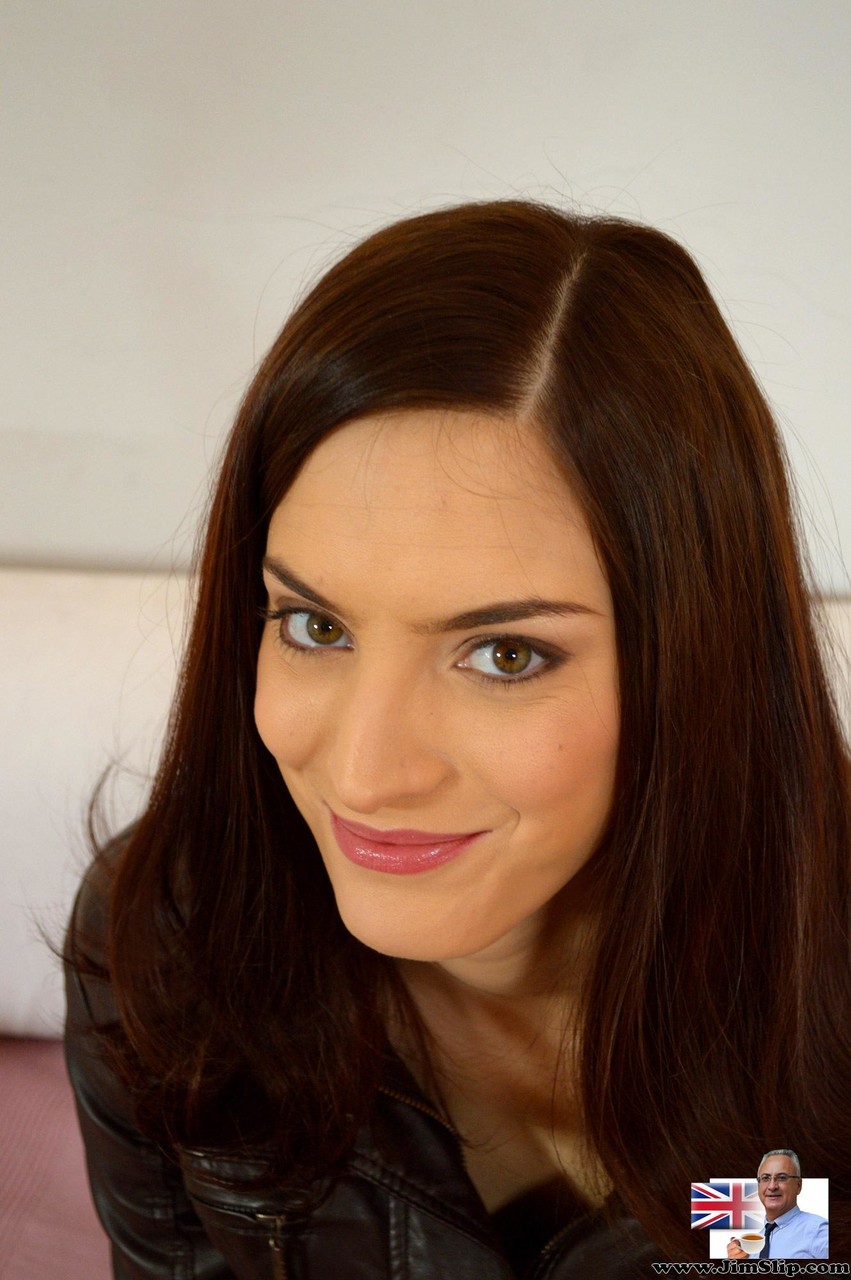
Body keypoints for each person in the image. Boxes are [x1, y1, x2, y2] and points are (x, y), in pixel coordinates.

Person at [64, 199, 851, 1278]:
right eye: (316, 626)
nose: (363, 773)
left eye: (505, 654)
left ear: (695, 661)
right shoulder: (170, 942)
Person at [728, 1149, 828, 1260]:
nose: (772, 1186)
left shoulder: (819, 1231)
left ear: (798, 1185)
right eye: (765, 1178)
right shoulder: (752, 1246)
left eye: (782, 1178)